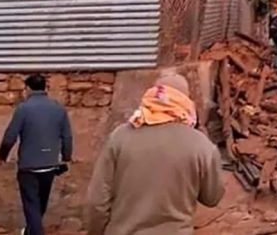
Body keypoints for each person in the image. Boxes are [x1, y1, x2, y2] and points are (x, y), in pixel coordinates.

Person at [86, 74, 224, 235]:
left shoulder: (120, 136)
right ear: (185, 101)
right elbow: (212, 198)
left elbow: (97, 201)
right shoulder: (202, 146)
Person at [0, 74, 73, 235]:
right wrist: (66, 158)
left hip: (29, 167)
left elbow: (10, 136)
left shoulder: (23, 109)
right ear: (45, 88)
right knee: (40, 205)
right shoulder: (59, 109)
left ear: (28, 89)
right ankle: (30, 231)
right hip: (49, 166)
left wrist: (2, 155)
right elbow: (67, 136)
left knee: (31, 205)